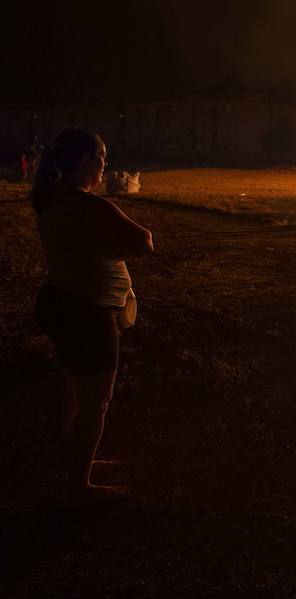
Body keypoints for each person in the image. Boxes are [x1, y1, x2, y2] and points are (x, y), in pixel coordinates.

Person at [31, 129, 154, 505]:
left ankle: (76, 457)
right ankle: (78, 487)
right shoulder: (89, 206)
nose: (105, 165)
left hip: (60, 302)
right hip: (88, 311)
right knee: (95, 402)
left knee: (74, 383)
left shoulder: (51, 199)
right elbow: (144, 241)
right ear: (86, 161)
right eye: (102, 157)